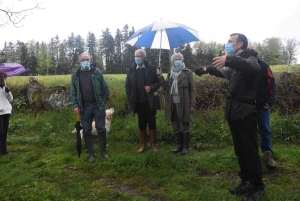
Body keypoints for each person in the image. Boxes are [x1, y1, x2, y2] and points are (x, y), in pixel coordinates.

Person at [195, 33, 265, 201]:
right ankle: (246, 181)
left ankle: (257, 187)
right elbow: (225, 72)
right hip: (234, 112)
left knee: (250, 151)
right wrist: (206, 70)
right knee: (240, 151)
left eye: (229, 42)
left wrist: (229, 59)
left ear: (239, 44)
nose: (227, 44)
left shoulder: (251, 59)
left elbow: (253, 68)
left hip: (246, 112)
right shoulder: (235, 64)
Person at [70, 53, 110, 162]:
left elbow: (105, 88)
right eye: (83, 60)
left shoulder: (96, 73)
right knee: (86, 130)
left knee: (101, 129)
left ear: (90, 60)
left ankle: (103, 151)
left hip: (98, 106)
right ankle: (91, 155)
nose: (85, 61)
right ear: (79, 62)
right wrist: (75, 105)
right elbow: (73, 92)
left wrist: (102, 102)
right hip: (84, 107)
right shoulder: (76, 75)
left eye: (87, 59)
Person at [157, 53, 196, 154]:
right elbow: (166, 88)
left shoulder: (187, 73)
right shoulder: (170, 73)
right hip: (172, 104)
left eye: (179, 59)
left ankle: (186, 147)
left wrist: (192, 104)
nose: (177, 61)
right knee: (175, 125)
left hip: (184, 103)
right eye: (175, 59)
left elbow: (192, 90)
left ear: (182, 61)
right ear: (172, 61)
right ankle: (179, 146)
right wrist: (160, 77)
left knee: (185, 125)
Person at [248, 44, 277, 169]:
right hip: (246, 106)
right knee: (249, 132)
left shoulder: (264, 65)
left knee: (265, 130)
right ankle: (251, 156)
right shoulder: (240, 66)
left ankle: (267, 154)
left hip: (261, 106)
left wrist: (270, 102)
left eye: (249, 48)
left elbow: (272, 84)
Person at [125, 49, 160, 153]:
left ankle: (153, 145)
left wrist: (151, 87)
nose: (137, 58)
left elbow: (158, 83)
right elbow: (127, 86)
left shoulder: (152, 69)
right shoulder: (131, 70)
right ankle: (143, 145)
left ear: (144, 57)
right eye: (136, 56)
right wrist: (130, 97)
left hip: (150, 101)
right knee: (141, 123)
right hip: (138, 102)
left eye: (139, 56)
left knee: (152, 123)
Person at [0, 71, 13, 156]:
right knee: (0, 131)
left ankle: (3, 150)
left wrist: (8, 92)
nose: (3, 78)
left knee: (4, 131)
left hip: (6, 111)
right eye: (1, 76)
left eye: (4, 76)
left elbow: (11, 100)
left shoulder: (5, 87)